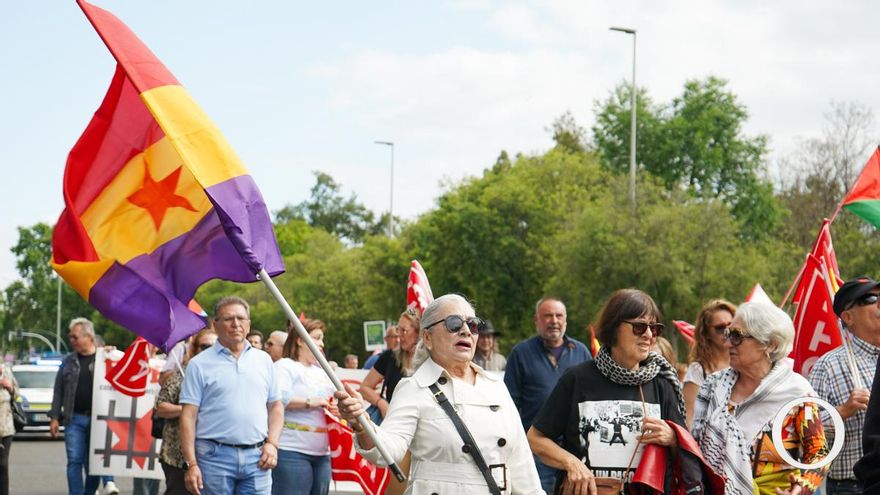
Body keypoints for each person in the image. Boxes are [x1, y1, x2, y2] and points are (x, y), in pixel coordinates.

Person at [334, 294, 544, 494]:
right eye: (453, 323)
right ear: (427, 337)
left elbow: (521, 464)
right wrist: (361, 423)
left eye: (472, 324)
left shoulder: (496, 387)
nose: (465, 331)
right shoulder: (414, 388)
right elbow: (387, 451)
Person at [528, 289, 687, 494]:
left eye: (654, 328)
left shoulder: (662, 384)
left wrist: (673, 439)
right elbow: (535, 438)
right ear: (614, 328)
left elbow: (686, 453)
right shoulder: (577, 379)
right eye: (639, 327)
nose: (648, 335)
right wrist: (571, 463)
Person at [692, 301, 829, 495]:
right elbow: (693, 446)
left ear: (770, 344)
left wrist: (801, 488)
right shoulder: (713, 386)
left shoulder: (797, 393)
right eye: (728, 334)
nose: (727, 342)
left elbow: (819, 454)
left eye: (737, 336)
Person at [180, 296, 283, 495]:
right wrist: (191, 463)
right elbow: (188, 416)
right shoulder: (199, 364)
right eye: (228, 319)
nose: (236, 324)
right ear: (215, 325)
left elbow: (276, 406)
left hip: (258, 458)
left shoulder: (264, 361)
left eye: (241, 318)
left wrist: (273, 443)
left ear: (249, 323)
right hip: (213, 458)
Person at [504, 297, 590, 493]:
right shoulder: (521, 353)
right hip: (534, 450)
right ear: (537, 320)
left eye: (559, 315)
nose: (554, 320)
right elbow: (509, 405)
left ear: (566, 320)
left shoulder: (581, 352)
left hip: (573, 449)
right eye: (547, 316)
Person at [48, 318, 113, 495]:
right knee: (74, 461)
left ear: (89, 336)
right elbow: (59, 391)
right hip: (74, 419)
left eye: (75, 336)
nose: (72, 340)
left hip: (99, 419)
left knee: (94, 463)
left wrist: (112, 354)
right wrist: (54, 417)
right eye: (70, 337)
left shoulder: (104, 359)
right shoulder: (68, 361)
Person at [273, 318, 337, 495]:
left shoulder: (322, 372)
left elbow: (335, 402)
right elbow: (276, 400)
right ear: (300, 340)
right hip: (291, 450)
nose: (322, 343)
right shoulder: (285, 366)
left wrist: (339, 409)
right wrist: (311, 402)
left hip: (322, 452)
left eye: (322, 338)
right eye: (317, 338)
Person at [156, 327, 217, 495]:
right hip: (178, 456)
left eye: (215, 346)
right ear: (195, 348)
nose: (210, 351)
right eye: (205, 346)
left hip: (214, 455)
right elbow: (161, 406)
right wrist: (188, 410)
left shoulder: (226, 373)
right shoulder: (184, 372)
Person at [359, 310, 420, 420]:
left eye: (404, 330)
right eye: (398, 329)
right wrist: (381, 403)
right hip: (394, 424)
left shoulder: (432, 359)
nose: (399, 335)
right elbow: (364, 388)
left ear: (418, 332)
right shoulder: (389, 357)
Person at [684, 299, 736, 428]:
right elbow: (689, 419)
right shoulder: (698, 370)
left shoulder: (745, 363)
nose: (727, 331)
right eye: (720, 328)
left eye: (731, 325)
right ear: (706, 333)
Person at [0, 363, 19, 495]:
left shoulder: (6, 370)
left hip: (5, 426)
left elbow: (17, 394)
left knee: (2, 464)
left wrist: (10, 387)